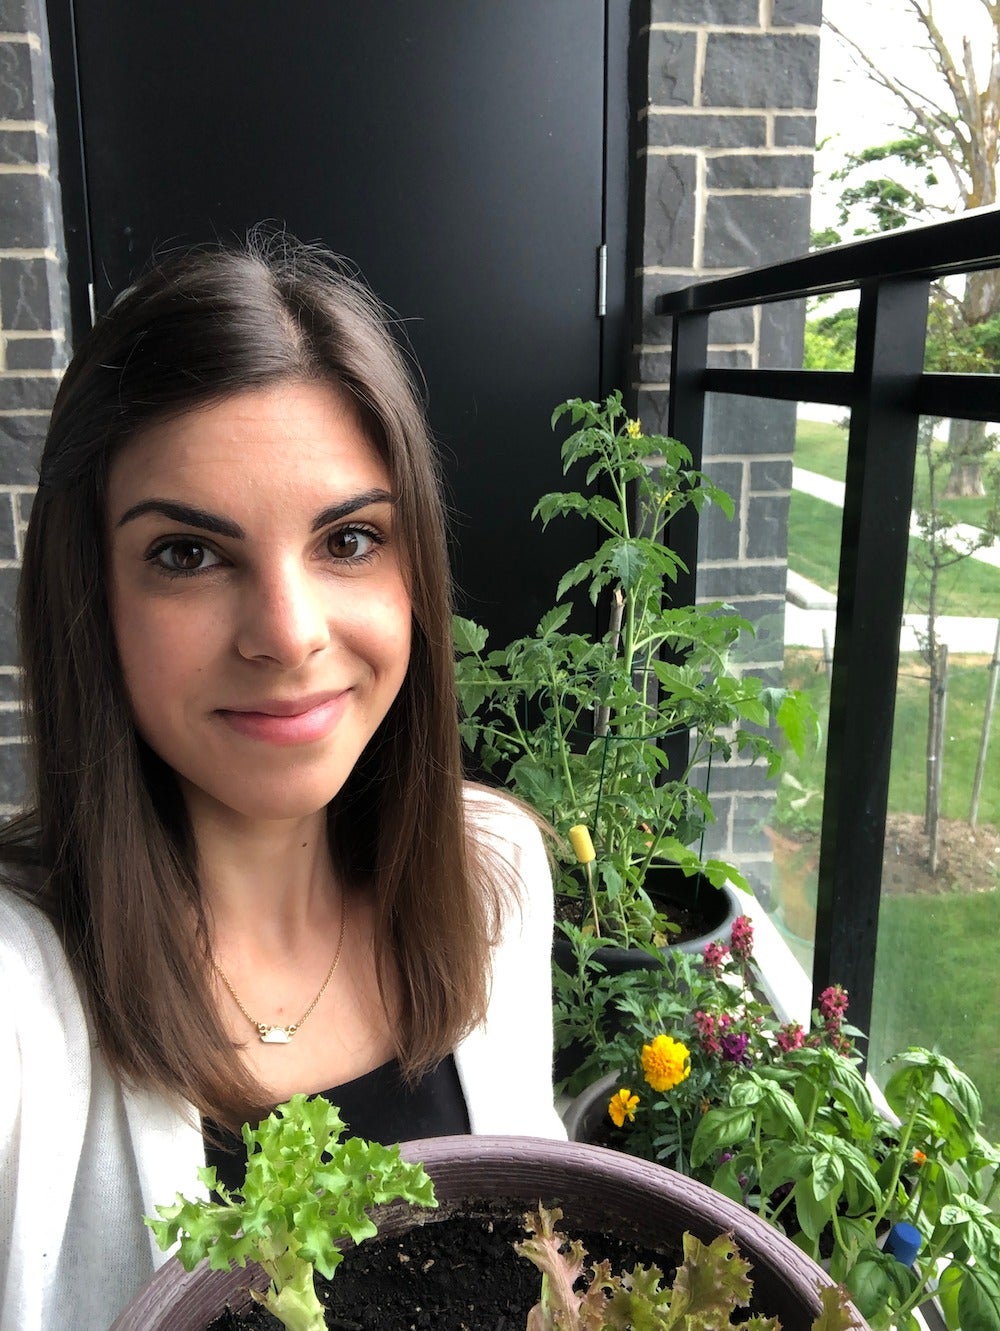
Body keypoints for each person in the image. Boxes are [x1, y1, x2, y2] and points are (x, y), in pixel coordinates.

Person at [0, 235, 564, 1331]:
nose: (287, 634)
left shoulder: (493, 868)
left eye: (348, 539)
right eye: (188, 554)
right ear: (91, 598)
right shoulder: (21, 995)